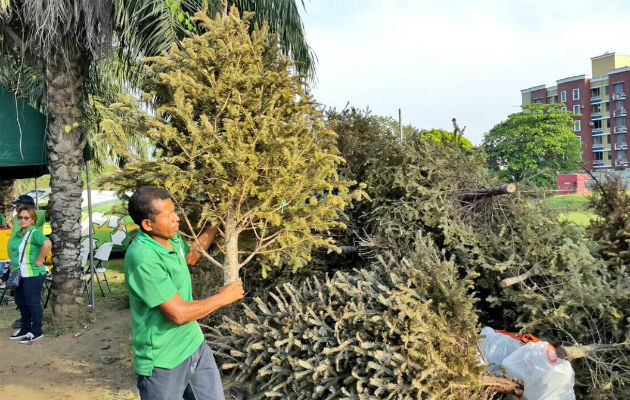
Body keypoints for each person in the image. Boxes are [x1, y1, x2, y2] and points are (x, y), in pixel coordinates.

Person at [125, 186, 244, 400]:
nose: (177, 219)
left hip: (193, 346)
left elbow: (191, 255)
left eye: (175, 211)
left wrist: (217, 220)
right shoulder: (143, 256)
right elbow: (178, 313)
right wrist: (223, 297)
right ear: (147, 224)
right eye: (168, 215)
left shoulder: (170, 239)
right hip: (163, 360)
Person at [8, 205, 52, 343]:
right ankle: (25, 328)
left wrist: (40, 259)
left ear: (33, 220)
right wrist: (12, 267)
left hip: (33, 273)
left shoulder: (34, 233)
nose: (22, 220)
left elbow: (47, 243)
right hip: (19, 273)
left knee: (32, 302)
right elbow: (14, 251)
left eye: (26, 218)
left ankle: (36, 330)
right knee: (20, 301)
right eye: (20, 217)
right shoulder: (18, 233)